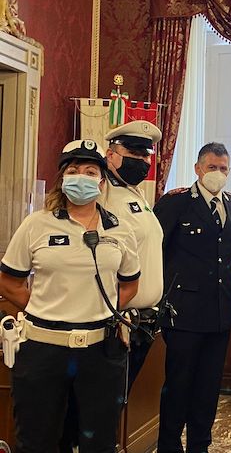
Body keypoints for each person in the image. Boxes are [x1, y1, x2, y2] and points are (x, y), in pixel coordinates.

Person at [0, 139, 140, 453]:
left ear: (101, 182)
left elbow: (130, 284)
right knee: (36, 442)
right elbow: (8, 283)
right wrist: (44, 308)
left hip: (100, 351)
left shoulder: (119, 229)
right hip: (43, 350)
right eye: (74, 171)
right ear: (62, 178)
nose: (82, 178)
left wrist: (102, 309)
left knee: (99, 443)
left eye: (90, 172)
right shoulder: (36, 224)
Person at [153, 142, 231, 453]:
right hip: (183, 312)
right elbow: (156, 252)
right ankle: (168, 446)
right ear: (197, 169)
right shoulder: (176, 203)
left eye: (223, 168)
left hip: (219, 312)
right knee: (178, 386)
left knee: (208, 388)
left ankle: (199, 446)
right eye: (211, 167)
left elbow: (227, 255)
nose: (218, 173)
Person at [104, 120, 164, 389]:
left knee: (119, 399)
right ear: (111, 155)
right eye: (133, 153)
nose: (141, 161)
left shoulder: (135, 193)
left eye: (145, 155)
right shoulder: (103, 194)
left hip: (142, 322)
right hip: (119, 321)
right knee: (105, 401)